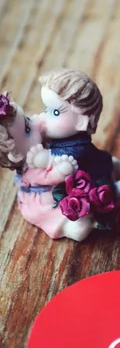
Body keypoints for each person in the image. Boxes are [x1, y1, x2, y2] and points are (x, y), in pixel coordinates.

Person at [0, 92, 93, 240]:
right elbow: (48, 178)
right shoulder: (31, 170)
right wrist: (60, 172)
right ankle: (68, 227)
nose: (34, 124)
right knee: (61, 210)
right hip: (44, 199)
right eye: (27, 130)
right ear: (17, 153)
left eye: (27, 119)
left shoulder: (37, 147)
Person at [37, 68, 120, 205]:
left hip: (92, 175)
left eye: (55, 112)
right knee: (104, 159)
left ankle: (117, 189)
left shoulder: (74, 151)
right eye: (46, 110)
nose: (44, 117)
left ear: (80, 122)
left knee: (95, 191)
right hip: (99, 159)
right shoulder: (66, 138)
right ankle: (114, 164)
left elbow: (53, 162)